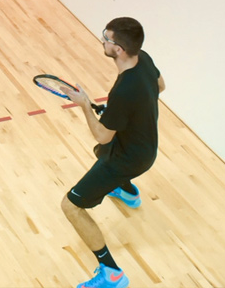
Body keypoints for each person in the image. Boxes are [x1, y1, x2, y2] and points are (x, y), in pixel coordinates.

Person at [61, 17, 166, 288]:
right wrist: (127, 114)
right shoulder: (143, 59)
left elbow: (101, 134)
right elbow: (160, 86)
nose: (102, 41)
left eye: (106, 38)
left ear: (118, 48)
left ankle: (111, 273)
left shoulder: (123, 90)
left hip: (129, 159)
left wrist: (84, 104)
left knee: (71, 206)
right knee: (102, 150)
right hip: (145, 147)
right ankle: (128, 192)